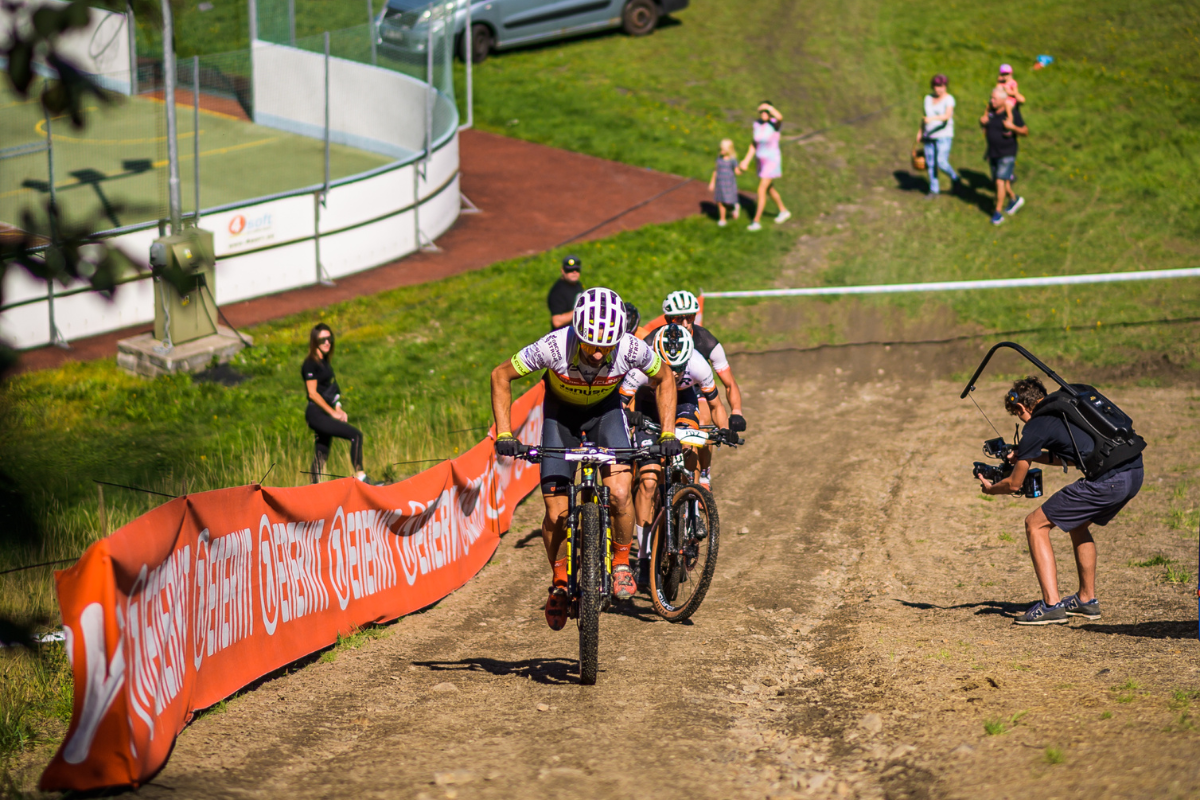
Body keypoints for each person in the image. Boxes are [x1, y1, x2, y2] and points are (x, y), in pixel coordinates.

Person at [491, 288, 680, 630]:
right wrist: (505, 434)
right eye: (589, 343)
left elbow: (665, 378)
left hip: (605, 416)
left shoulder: (630, 347)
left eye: (604, 346)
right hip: (560, 419)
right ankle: (560, 581)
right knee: (555, 512)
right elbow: (500, 375)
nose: (595, 353)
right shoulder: (552, 346)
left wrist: (667, 434)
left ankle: (622, 562)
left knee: (621, 493)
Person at [978, 377, 1144, 625]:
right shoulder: (1067, 407)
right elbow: (1073, 458)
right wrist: (1027, 454)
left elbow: (1014, 484)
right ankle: (1086, 601)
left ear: (1022, 408)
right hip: (1134, 471)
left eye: (1017, 414)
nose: (1021, 420)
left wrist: (991, 489)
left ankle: (1051, 605)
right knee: (1077, 523)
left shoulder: (1035, 426)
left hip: (1109, 481)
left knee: (1035, 524)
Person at [621, 324, 730, 589]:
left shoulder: (699, 365)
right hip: (648, 406)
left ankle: (691, 504)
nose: (677, 373)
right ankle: (644, 557)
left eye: (681, 368)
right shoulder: (641, 365)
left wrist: (724, 430)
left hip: (683, 404)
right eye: (671, 367)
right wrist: (631, 417)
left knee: (690, 444)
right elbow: (621, 404)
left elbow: (715, 405)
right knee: (647, 481)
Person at [660, 290, 746, 488]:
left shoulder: (706, 341)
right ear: (667, 319)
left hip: (697, 389)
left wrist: (736, 412)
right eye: (677, 318)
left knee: (704, 419)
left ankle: (703, 473)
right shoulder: (655, 340)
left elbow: (729, 383)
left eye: (689, 317)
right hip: (663, 389)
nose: (684, 323)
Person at [301, 324, 382, 485]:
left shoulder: (325, 363)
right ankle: (361, 477)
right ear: (314, 341)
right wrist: (333, 413)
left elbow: (330, 390)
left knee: (322, 450)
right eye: (322, 339)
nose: (327, 342)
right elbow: (313, 393)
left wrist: (338, 408)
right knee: (355, 436)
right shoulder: (310, 364)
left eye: (329, 338)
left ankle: (312, 487)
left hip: (324, 412)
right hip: (316, 414)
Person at [739, 101, 792, 231]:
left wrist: (768, 107)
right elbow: (754, 144)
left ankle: (756, 221)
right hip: (761, 161)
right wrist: (746, 160)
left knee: (761, 190)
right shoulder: (757, 124)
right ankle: (783, 210)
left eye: (766, 112)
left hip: (772, 161)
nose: (763, 114)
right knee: (769, 188)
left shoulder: (774, 124)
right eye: (761, 111)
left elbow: (780, 117)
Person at [980, 86, 1028, 225]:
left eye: (994, 98)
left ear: (1003, 100)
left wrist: (1013, 127)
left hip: (1007, 152)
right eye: (991, 98)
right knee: (1003, 183)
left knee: (1000, 181)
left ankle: (997, 213)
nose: (991, 100)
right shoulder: (991, 112)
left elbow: (1025, 131)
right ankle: (1015, 199)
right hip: (993, 152)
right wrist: (982, 122)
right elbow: (987, 128)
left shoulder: (1012, 113)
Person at [916, 74, 960, 198]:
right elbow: (925, 118)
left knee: (941, 162)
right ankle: (934, 190)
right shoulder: (927, 98)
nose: (939, 89)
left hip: (943, 136)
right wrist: (920, 132)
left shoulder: (949, 99)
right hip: (929, 136)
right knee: (930, 163)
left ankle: (955, 178)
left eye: (942, 86)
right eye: (936, 85)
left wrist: (933, 118)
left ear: (946, 86)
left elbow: (947, 116)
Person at [708, 138, 741, 226]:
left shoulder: (733, 160)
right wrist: (712, 182)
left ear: (729, 150)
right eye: (720, 149)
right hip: (720, 183)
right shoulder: (719, 158)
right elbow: (715, 170)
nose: (721, 151)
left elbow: (737, 171)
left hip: (729, 183)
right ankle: (722, 219)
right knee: (720, 201)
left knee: (727, 201)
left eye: (723, 149)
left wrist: (742, 168)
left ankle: (733, 207)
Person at [547, 255, 584, 330]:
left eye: (577, 269)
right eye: (570, 270)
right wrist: (581, 310)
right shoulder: (557, 292)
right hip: (563, 337)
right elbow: (557, 321)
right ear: (563, 271)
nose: (574, 272)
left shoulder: (577, 285)